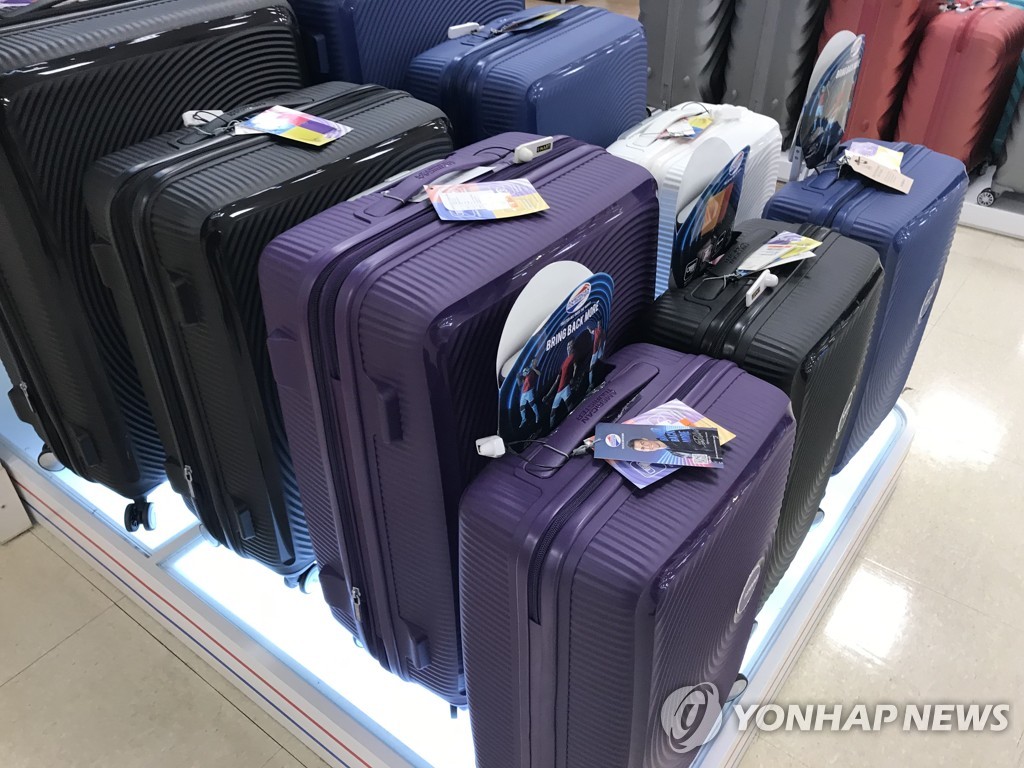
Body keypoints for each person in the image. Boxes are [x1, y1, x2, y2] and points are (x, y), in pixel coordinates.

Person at [544, 338, 577, 429]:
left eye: (571, 345)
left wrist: (573, 379)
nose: (569, 347)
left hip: (566, 387)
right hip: (559, 390)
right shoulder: (563, 363)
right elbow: (556, 381)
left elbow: (575, 366)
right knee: (552, 412)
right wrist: (548, 395)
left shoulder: (573, 356)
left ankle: (574, 425)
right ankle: (551, 429)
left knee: (570, 407)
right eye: (568, 345)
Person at [518, 358, 541, 428]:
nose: (535, 363)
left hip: (529, 390)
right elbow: (523, 378)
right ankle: (523, 419)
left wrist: (533, 369)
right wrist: (520, 377)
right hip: (524, 391)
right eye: (534, 362)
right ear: (532, 362)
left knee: (532, 404)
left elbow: (539, 374)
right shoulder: (527, 369)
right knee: (521, 407)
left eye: (536, 362)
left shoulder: (535, 369)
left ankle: (537, 415)